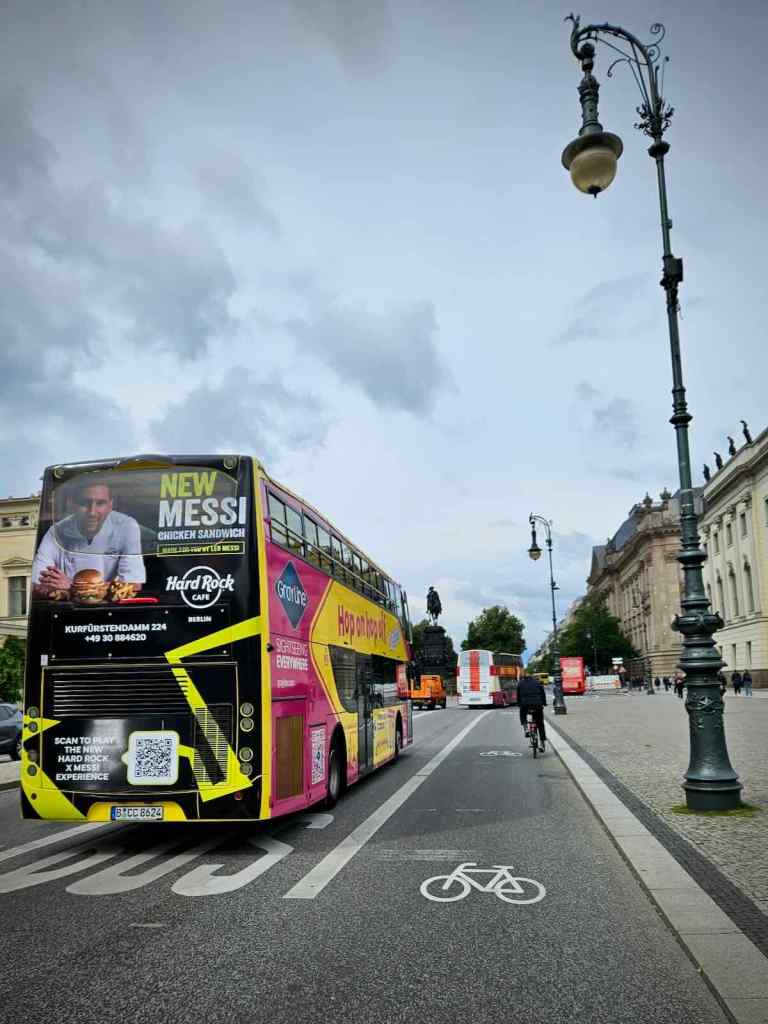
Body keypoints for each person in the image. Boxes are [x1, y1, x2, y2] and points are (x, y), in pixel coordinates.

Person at [32, 478, 146, 596]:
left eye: (100, 503)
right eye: (85, 503)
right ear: (72, 504)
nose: (92, 512)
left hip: (110, 608)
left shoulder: (126, 526)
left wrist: (72, 586)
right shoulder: (55, 532)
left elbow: (133, 585)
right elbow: (37, 583)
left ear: (110, 505)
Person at [517, 674, 547, 752]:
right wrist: (544, 703)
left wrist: (519, 704)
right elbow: (542, 694)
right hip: (537, 705)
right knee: (540, 724)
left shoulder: (520, 683)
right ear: (532, 678)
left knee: (522, 713)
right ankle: (542, 744)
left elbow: (518, 696)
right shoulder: (537, 682)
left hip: (525, 705)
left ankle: (526, 729)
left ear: (524, 678)